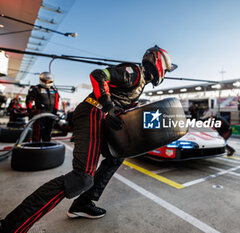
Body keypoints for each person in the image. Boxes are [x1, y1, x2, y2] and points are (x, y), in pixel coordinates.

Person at [0, 45, 174, 233]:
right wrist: (108, 105)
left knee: (117, 156)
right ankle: (10, 226)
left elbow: (122, 105)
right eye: (166, 68)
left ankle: (82, 204)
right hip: (92, 112)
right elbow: (98, 75)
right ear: (159, 62)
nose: (165, 73)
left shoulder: (140, 85)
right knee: (81, 178)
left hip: (102, 117)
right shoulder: (132, 73)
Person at [25, 72, 60, 142]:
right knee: (37, 132)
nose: (47, 82)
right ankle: (35, 147)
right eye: (46, 81)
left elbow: (57, 102)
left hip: (51, 114)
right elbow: (29, 101)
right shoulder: (36, 88)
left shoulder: (54, 90)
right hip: (39, 114)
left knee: (48, 132)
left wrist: (55, 112)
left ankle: (46, 145)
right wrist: (30, 112)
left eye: (49, 81)